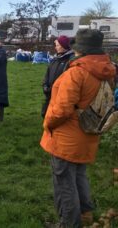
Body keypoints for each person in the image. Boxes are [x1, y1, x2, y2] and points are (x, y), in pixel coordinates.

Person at [40, 29, 116, 227]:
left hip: (66, 137)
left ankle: (68, 223)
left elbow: (61, 110)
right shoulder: (107, 72)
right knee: (79, 175)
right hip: (88, 134)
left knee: (64, 183)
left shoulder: (76, 73)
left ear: (79, 50)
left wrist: (47, 124)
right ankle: (85, 214)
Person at [41, 35, 74, 117]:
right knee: (45, 114)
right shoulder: (55, 59)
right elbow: (47, 74)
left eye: (58, 45)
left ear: (63, 46)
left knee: (57, 117)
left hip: (60, 94)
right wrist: (45, 85)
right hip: (49, 93)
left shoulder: (70, 61)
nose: (56, 47)